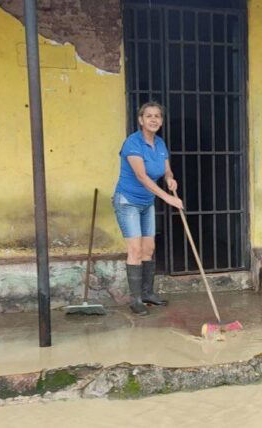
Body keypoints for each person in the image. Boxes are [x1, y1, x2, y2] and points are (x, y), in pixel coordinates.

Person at [112, 101, 183, 316]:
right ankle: (135, 300)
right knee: (134, 249)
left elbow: (166, 170)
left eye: (157, 116)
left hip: (146, 202)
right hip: (128, 201)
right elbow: (142, 177)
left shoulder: (160, 144)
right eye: (149, 116)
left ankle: (147, 293)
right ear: (141, 120)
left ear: (161, 121)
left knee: (149, 248)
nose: (153, 119)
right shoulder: (132, 144)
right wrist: (167, 199)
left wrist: (170, 179)